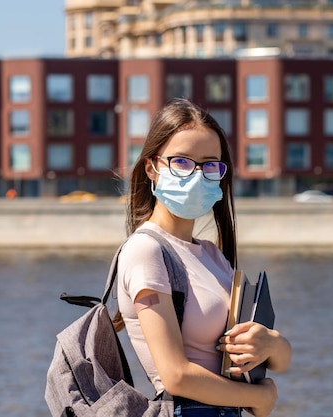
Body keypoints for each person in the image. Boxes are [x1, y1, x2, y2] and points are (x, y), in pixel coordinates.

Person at [116, 98, 292, 417]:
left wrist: (272, 342)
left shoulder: (211, 254)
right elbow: (176, 376)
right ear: (152, 168)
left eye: (210, 164)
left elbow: (279, 360)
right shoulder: (147, 251)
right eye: (181, 162)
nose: (196, 175)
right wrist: (257, 399)